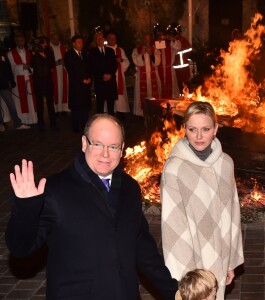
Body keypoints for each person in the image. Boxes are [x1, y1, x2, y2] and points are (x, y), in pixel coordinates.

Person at [5, 113, 178, 300]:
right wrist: (25, 208)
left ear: (122, 149)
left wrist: (175, 292)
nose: (105, 154)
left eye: (113, 146)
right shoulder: (55, 191)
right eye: (97, 144)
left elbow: (143, 249)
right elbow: (21, 248)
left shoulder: (130, 188)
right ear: (84, 143)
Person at [161, 101, 244, 300]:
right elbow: (172, 225)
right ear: (184, 129)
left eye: (205, 129)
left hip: (220, 253)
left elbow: (232, 214)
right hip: (191, 257)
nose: (199, 136)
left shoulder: (226, 163)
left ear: (215, 129)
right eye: (192, 129)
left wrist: (230, 261)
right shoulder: (174, 169)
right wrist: (187, 275)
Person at [7, 32, 37, 124]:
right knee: (21, 102)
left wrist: (30, 67)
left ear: (24, 41)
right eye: (18, 41)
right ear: (16, 42)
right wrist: (22, 66)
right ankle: (22, 120)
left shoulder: (29, 52)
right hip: (18, 79)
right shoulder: (10, 54)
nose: (21, 43)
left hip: (29, 78)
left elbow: (34, 65)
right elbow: (10, 68)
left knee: (31, 101)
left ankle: (33, 119)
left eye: (22, 41)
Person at [64, 34, 92, 132]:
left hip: (85, 85)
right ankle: (75, 126)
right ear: (73, 44)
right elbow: (71, 70)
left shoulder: (84, 54)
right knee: (76, 107)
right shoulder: (69, 55)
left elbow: (88, 67)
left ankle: (84, 125)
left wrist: (89, 78)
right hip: (76, 85)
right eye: (79, 42)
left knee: (85, 106)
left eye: (82, 42)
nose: (81, 45)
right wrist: (81, 79)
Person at [88, 28, 118, 115]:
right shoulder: (92, 52)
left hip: (110, 81)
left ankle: (111, 123)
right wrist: (102, 75)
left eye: (101, 38)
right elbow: (92, 67)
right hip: (100, 82)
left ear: (104, 39)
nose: (100, 40)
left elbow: (114, 65)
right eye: (98, 39)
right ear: (96, 41)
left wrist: (110, 75)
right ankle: (100, 124)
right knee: (100, 106)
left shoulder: (110, 51)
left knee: (110, 105)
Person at [0, 47, 30, 131]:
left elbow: (7, 67)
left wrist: (11, 81)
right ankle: (0, 123)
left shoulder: (2, 52)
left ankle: (17, 123)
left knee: (11, 104)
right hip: (3, 83)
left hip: (3, 84)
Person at [30, 36, 57, 129]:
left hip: (48, 81)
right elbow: (31, 65)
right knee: (39, 103)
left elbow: (52, 65)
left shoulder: (49, 51)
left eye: (44, 42)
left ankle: (53, 122)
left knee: (50, 103)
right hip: (38, 82)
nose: (43, 45)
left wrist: (44, 56)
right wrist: (34, 54)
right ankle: (40, 122)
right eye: (41, 43)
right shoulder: (34, 52)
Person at [132, 33, 161, 116]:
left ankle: (153, 112)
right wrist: (142, 54)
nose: (147, 41)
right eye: (145, 40)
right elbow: (137, 63)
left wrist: (151, 54)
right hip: (142, 76)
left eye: (148, 40)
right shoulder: (136, 50)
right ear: (142, 40)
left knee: (153, 95)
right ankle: (141, 113)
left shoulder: (154, 49)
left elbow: (157, 62)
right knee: (142, 97)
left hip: (153, 75)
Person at [107, 33, 130, 116]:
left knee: (120, 94)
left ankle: (120, 111)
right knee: (110, 93)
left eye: (114, 39)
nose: (113, 40)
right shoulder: (105, 49)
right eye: (111, 38)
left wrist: (121, 61)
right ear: (108, 39)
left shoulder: (120, 50)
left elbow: (127, 61)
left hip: (119, 75)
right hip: (110, 75)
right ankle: (111, 111)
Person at [154, 23, 180, 99]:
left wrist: (170, 39)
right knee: (160, 91)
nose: (161, 36)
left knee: (172, 92)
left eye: (162, 34)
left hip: (170, 70)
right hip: (159, 70)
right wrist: (160, 41)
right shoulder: (157, 43)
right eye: (159, 34)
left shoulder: (172, 43)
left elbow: (177, 46)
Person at [168, 23, 192, 93]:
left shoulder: (180, 40)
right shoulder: (179, 40)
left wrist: (180, 54)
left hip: (182, 68)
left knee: (184, 88)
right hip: (177, 68)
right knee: (179, 88)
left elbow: (188, 50)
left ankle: (185, 101)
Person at [50, 33, 69, 113]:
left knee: (63, 89)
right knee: (55, 90)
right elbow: (46, 62)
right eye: (54, 38)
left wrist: (64, 62)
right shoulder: (49, 49)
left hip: (62, 71)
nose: (56, 40)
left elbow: (68, 60)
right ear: (51, 39)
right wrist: (54, 63)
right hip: (53, 72)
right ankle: (56, 109)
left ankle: (64, 109)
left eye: (57, 38)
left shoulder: (64, 48)